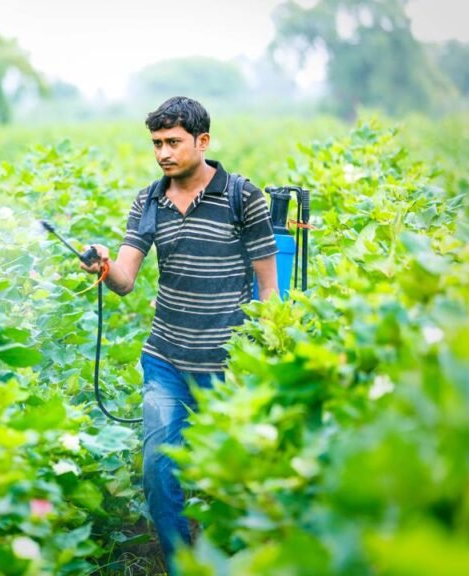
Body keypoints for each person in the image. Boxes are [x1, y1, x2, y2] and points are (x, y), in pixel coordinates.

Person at [80, 96, 278, 570]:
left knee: (230, 478)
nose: (163, 153)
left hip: (228, 363)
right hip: (165, 357)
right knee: (157, 468)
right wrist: (103, 265)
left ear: (202, 141)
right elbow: (125, 280)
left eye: (173, 142)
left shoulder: (242, 196)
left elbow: (269, 287)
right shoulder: (149, 200)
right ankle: (178, 565)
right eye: (156, 143)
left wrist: (265, 352)